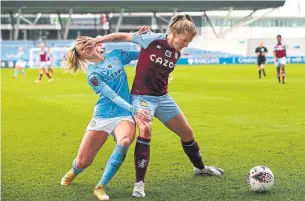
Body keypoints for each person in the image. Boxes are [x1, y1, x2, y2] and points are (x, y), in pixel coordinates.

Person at [77, 14, 224, 198]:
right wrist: (99, 39)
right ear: (175, 33)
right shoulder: (152, 38)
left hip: (162, 98)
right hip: (141, 97)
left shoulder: (176, 50)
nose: (185, 44)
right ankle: (139, 184)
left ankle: (200, 168)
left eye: (188, 42)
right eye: (184, 40)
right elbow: (121, 36)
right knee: (145, 129)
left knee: (187, 134)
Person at [60, 32, 151, 200]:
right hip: (104, 115)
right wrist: (134, 109)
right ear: (81, 56)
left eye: (87, 42)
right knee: (83, 162)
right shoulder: (92, 74)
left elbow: (145, 53)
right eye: (82, 47)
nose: (86, 46)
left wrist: (145, 35)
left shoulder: (116, 54)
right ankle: (74, 171)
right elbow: (113, 97)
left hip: (124, 114)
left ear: (94, 42)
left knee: (124, 141)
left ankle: (100, 187)